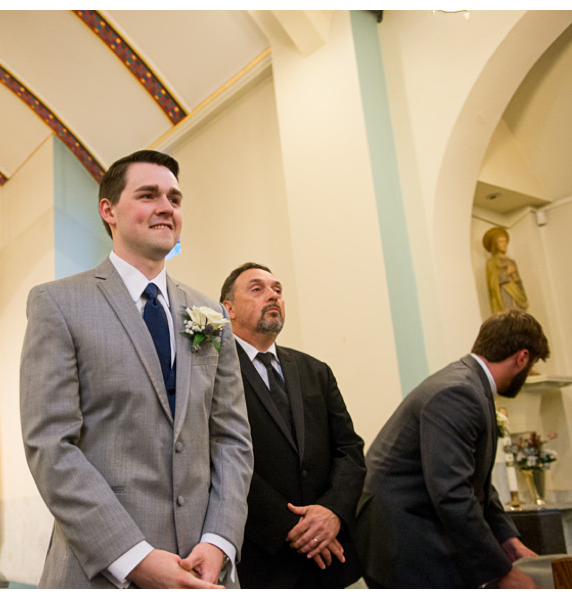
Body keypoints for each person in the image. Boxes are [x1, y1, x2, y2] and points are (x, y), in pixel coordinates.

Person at [19, 150, 253, 589]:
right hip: (103, 571)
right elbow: (51, 444)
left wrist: (219, 540)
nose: (166, 207)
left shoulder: (208, 312)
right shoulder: (58, 304)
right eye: (148, 195)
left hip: (203, 568)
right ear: (108, 210)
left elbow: (233, 438)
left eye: (175, 199)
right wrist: (135, 559)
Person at [355, 310, 547, 588]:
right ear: (522, 358)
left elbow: (475, 480)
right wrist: (502, 572)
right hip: (405, 541)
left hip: (413, 530)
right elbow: (452, 491)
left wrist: (508, 539)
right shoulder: (459, 392)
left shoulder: (468, 384)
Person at [218, 263, 366, 588]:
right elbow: (215, 455)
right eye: (257, 289)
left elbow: (350, 451)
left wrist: (331, 512)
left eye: (278, 290)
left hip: (330, 559)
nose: (272, 295)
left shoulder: (315, 370)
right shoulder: (212, 372)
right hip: (262, 557)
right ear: (227, 308)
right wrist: (291, 526)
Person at [483, 227, 529, 313]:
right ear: (495, 244)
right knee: (509, 313)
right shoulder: (492, 262)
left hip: (517, 293)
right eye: (501, 242)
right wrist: (507, 272)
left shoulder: (511, 261)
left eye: (505, 241)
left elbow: (518, 281)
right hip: (504, 293)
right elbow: (492, 283)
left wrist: (523, 296)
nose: (504, 244)